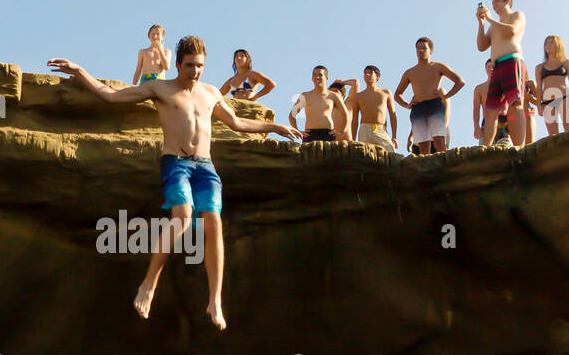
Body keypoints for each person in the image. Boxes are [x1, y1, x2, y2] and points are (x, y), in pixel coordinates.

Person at [47, 37, 300, 330]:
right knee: (182, 216)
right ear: (178, 63)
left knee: (213, 223)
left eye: (200, 66)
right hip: (176, 163)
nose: (195, 71)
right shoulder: (161, 88)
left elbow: (238, 124)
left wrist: (275, 126)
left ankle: (215, 299)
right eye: (190, 65)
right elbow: (112, 96)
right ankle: (149, 284)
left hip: (205, 167)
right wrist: (79, 71)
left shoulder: (210, 94)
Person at [393, 38, 464, 154]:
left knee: (439, 140)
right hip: (418, 108)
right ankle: (427, 169)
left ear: (430, 50)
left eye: (424, 48)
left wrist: (446, 96)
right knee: (423, 144)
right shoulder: (410, 72)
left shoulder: (438, 67)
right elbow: (397, 95)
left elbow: (460, 81)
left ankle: (444, 166)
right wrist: (407, 105)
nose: (421, 50)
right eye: (418, 48)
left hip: (435, 105)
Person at [477, 0, 527, 147]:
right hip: (496, 66)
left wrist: (490, 19)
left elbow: (512, 31)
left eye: (497, 1)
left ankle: (519, 146)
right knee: (490, 110)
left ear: (507, 1)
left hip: (512, 60)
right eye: (492, 2)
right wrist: (481, 23)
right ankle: (486, 147)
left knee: (515, 103)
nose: (494, 5)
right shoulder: (492, 27)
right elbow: (481, 46)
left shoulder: (516, 15)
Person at [289, 66, 351, 142]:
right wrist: (297, 131)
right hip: (310, 134)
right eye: (314, 75)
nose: (317, 77)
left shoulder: (333, 96)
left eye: (320, 75)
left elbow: (345, 115)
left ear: (326, 78)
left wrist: (341, 131)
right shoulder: (305, 95)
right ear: (312, 78)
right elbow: (292, 115)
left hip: (328, 134)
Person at [350, 65, 398, 151]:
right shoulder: (358, 96)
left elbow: (392, 115)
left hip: (380, 128)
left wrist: (394, 136)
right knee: (366, 157)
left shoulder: (385, 93)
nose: (367, 75)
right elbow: (354, 119)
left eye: (370, 73)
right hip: (365, 129)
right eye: (365, 73)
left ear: (377, 76)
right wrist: (353, 138)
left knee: (391, 152)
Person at [536, 36, 569, 136]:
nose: (548, 45)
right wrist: (538, 104)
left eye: (551, 42)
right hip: (547, 102)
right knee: (553, 137)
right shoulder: (540, 67)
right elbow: (539, 87)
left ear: (558, 45)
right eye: (546, 43)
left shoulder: (566, 63)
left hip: (564, 98)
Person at [473, 58, 512, 145]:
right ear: (485, 69)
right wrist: (476, 126)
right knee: (484, 151)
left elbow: (513, 103)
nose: (491, 69)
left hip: (503, 120)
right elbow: (476, 109)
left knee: (504, 150)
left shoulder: (505, 86)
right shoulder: (479, 89)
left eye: (493, 66)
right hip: (486, 122)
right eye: (488, 67)